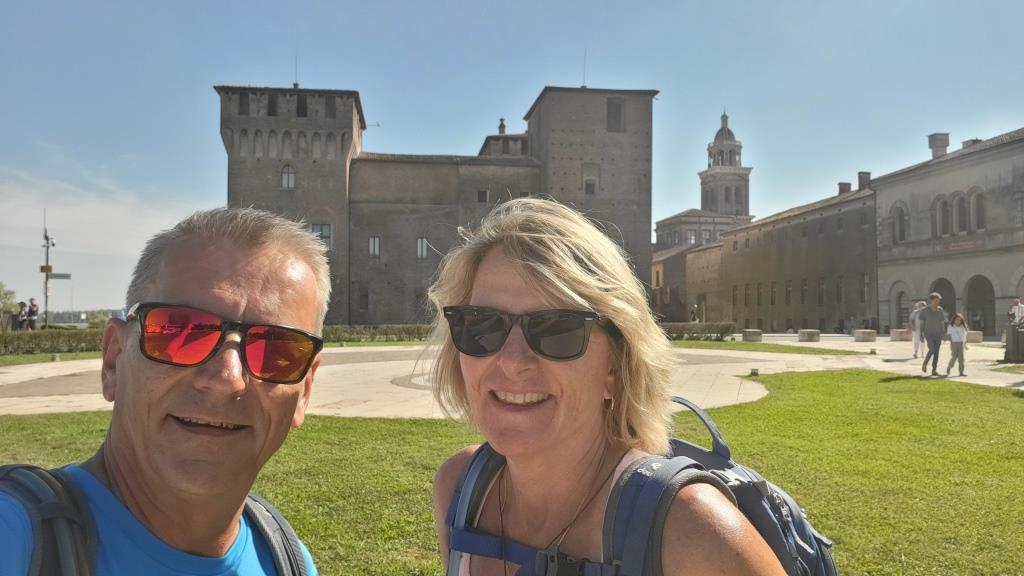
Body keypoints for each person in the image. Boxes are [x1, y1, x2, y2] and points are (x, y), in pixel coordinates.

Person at [429, 198, 784, 576]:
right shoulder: (460, 488)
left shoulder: (695, 535)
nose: (512, 361)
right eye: (482, 325)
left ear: (614, 367)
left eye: (557, 329)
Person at [0, 208, 327, 574]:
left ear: (304, 391)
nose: (227, 378)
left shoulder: (287, 560)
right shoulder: (14, 539)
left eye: (277, 350)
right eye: (180, 331)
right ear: (113, 360)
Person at [919, 292, 948, 377]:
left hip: (938, 334)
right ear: (931, 300)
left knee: (936, 353)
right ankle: (925, 364)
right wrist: (921, 334)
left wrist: (944, 333)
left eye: (938, 301)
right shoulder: (924, 311)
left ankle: (934, 370)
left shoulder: (940, 310)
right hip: (928, 334)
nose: (937, 302)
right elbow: (922, 323)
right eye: (936, 300)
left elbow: (942, 322)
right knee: (932, 349)